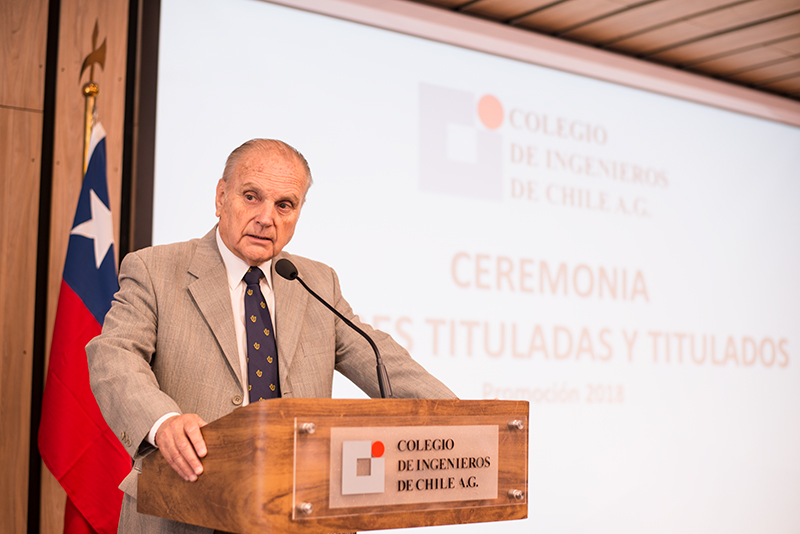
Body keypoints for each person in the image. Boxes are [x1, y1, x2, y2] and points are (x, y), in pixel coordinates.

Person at [87, 139, 456, 532]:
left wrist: (466, 421)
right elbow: (115, 354)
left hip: (299, 512)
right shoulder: (155, 268)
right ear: (221, 197)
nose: (266, 218)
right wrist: (163, 422)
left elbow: (381, 360)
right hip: (183, 508)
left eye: (284, 205)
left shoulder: (316, 281)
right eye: (252, 197)